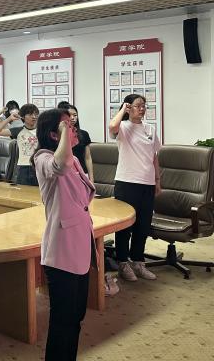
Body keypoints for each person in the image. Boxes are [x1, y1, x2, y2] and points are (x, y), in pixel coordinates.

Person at [33, 108, 96, 361]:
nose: (74, 129)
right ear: (53, 134)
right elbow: (59, 166)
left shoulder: (73, 159)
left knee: (76, 316)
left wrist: (65, 134)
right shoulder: (42, 157)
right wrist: (63, 132)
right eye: (68, 126)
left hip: (80, 244)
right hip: (62, 251)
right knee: (63, 320)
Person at [109, 94, 160, 282]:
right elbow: (112, 126)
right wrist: (123, 109)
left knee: (143, 226)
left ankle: (138, 262)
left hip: (147, 182)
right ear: (129, 108)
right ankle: (123, 263)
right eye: (138, 105)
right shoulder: (123, 127)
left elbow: (154, 156)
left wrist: (157, 180)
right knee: (124, 226)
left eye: (144, 105)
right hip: (127, 182)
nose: (142, 109)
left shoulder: (150, 129)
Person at [0, 103, 39, 185]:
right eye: (30, 114)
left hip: (38, 167)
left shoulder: (41, 130)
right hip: (23, 167)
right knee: (22, 191)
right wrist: (9, 119)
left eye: (36, 114)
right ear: (23, 117)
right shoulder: (18, 130)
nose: (34, 117)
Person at [66, 105, 94, 182]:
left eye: (75, 115)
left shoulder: (84, 134)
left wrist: (91, 178)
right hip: (66, 174)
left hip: (82, 173)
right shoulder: (58, 135)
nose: (72, 118)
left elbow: (88, 157)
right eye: (69, 115)